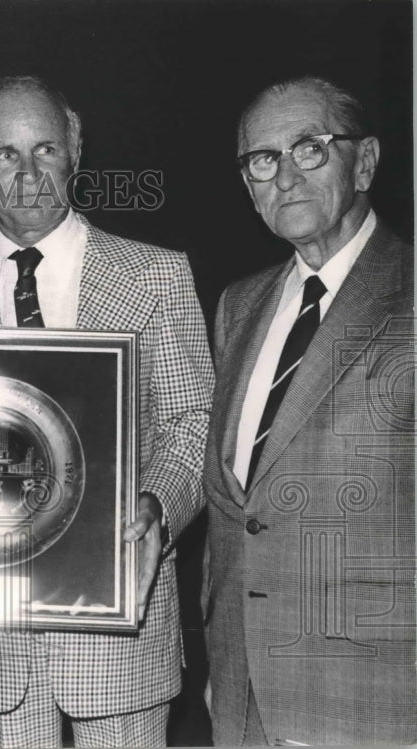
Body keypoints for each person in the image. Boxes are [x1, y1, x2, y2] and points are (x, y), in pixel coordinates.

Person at [0, 75, 214, 748]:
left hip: (119, 628)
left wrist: (155, 507)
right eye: (4, 154)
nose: (27, 173)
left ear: (75, 152)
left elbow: (193, 422)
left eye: (45, 148)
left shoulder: (157, 275)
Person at [202, 76, 415, 745]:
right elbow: (234, 505)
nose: (285, 174)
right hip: (240, 692)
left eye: (310, 148)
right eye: (262, 159)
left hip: (370, 700)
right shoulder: (239, 304)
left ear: (367, 161)